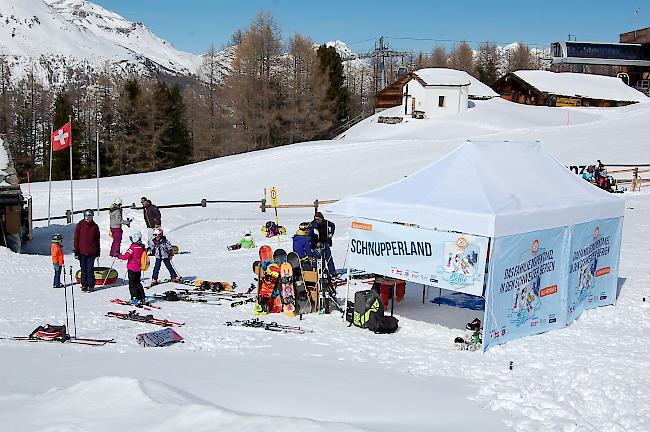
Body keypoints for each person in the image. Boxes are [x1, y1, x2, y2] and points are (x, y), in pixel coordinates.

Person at [73, 209, 100, 292]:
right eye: (87, 216)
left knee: (90, 269)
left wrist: (98, 251)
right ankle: (84, 284)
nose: (89, 218)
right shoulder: (80, 225)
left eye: (91, 216)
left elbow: (97, 239)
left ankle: (90, 285)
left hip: (92, 251)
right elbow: (76, 238)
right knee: (83, 269)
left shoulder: (95, 226)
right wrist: (76, 250)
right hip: (82, 252)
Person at [118, 230, 146, 304]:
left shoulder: (133, 247)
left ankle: (134, 298)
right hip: (139, 268)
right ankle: (142, 297)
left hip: (132, 268)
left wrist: (119, 255)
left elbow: (126, 256)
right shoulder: (142, 246)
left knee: (132, 284)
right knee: (138, 283)